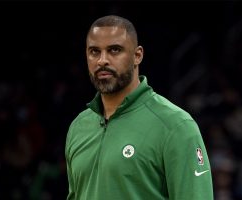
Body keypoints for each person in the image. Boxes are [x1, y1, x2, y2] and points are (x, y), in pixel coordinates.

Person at [65, 15, 214, 200]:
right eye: (94, 52)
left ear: (138, 55)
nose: (102, 60)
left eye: (114, 50)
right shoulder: (79, 126)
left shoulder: (176, 125)